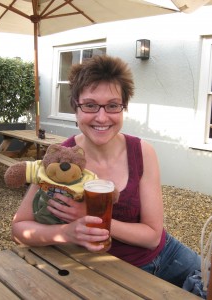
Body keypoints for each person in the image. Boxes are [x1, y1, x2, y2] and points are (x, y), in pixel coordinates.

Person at [12, 55, 200, 289]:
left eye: (112, 105)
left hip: (170, 256)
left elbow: (152, 236)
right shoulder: (61, 159)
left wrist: (90, 217)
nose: (102, 117)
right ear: (76, 108)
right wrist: (67, 233)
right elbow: (19, 230)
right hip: (114, 274)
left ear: (123, 107)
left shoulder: (142, 152)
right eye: (90, 105)